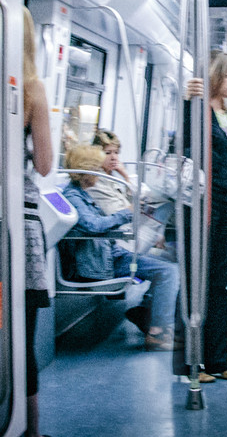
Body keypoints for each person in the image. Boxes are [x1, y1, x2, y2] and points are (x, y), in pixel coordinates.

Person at [59, 144, 180, 352]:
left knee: (168, 263)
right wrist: (126, 213)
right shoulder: (74, 196)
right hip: (100, 262)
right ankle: (157, 333)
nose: (100, 172)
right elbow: (93, 226)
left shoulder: (82, 193)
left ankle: (148, 314)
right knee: (168, 271)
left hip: (108, 253)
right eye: (97, 168)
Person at [175, 50, 227, 382]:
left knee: (219, 284)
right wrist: (187, 101)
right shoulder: (197, 109)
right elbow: (183, 147)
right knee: (196, 283)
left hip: (223, 205)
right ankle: (191, 362)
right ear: (215, 75)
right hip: (200, 206)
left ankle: (219, 359)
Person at [20, 6, 54, 437]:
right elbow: (45, 165)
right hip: (21, 220)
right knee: (21, 332)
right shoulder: (32, 89)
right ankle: (30, 433)